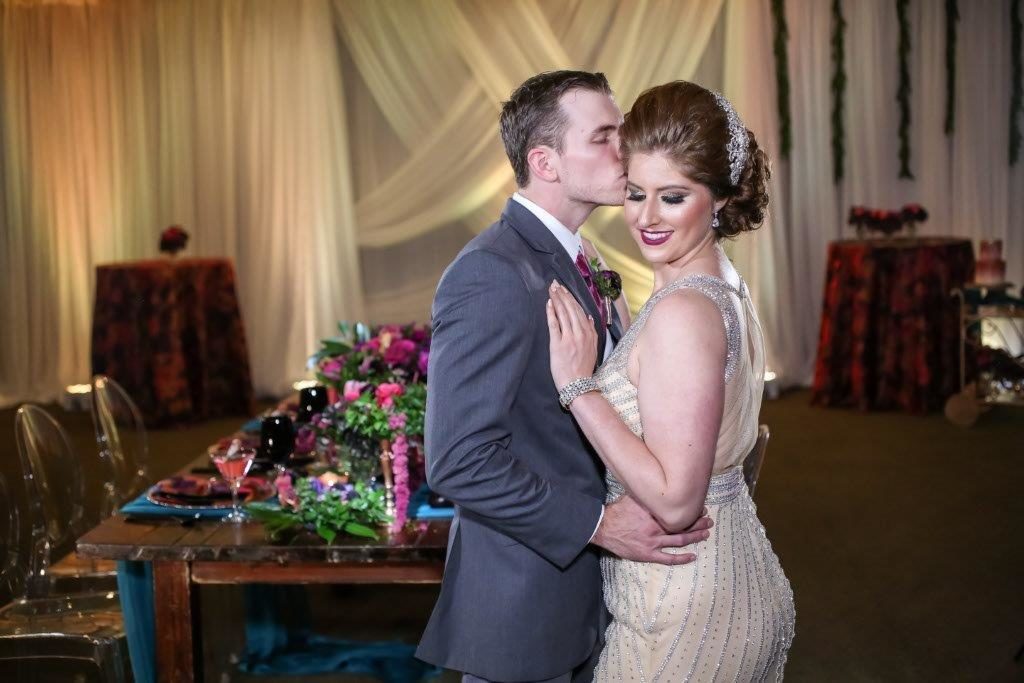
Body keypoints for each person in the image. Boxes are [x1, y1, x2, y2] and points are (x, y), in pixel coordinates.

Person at [416, 71, 713, 683]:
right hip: (525, 606)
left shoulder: (583, 256)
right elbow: (458, 459)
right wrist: (600, 524)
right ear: (545, 162)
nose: (625, 150)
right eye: (604, 136)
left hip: (588, 595)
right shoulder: (492, 273)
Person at [545, 80, 795, 681]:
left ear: (719, 200)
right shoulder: (719, 283)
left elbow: (678, 502)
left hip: (684, 608)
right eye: (635, 193)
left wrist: (580, 388)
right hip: (730, 572)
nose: (646, 218)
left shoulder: (685, 311)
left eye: (673, 197)